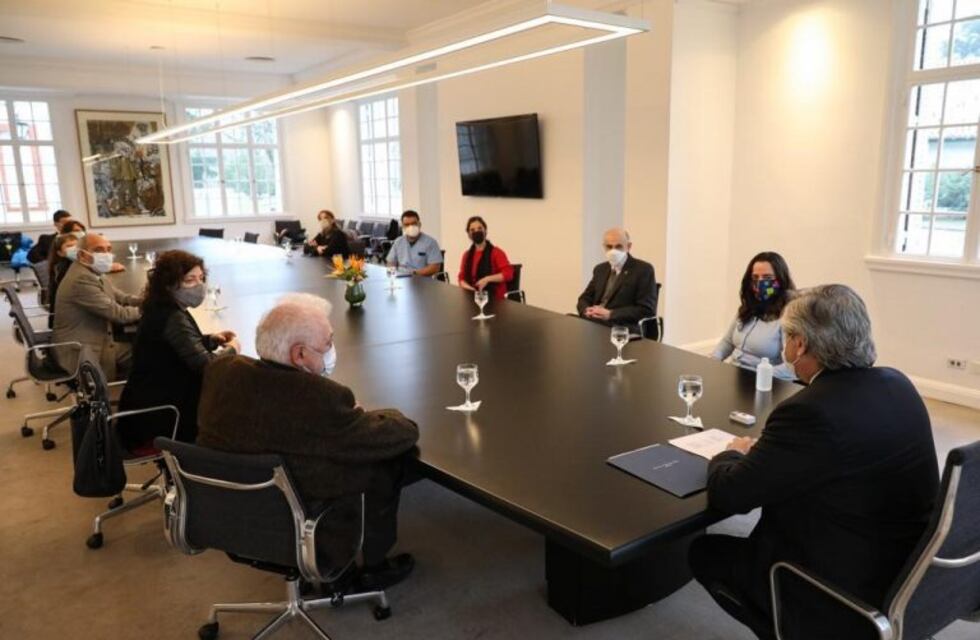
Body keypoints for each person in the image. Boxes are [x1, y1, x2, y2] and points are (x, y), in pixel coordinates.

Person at [688, 285, 940, 640]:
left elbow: (730, 495)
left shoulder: (808, 411)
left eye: (785, 336)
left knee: (704, 552)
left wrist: (731, 452)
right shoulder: (899, 385)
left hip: (840, 586)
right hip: (910, 571)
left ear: (800, 344)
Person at [196, 293, 419, 590]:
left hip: (228, 511)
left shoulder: (223, 371)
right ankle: (368, 567)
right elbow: (401, 433)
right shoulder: (319, 398)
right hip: (300, 514)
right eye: (328, 343)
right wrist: (376, 414)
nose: (332, 350)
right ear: (299, 354)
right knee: (390, 462)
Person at [118, 250, 239, 453]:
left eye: (201, 278)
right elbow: (208, 367)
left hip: (148, 403)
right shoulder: (172, 317)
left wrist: (209, 340)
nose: (199, 285)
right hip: (164, 418)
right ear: (169, 284)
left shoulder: (162, 307)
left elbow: (175, 347)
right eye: (190, 280)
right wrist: (232, 350)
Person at [52, 233, 141, 380]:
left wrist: (147, 300)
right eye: (99, 250)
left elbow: (122, 297)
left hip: (94, 339)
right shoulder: (81, 279)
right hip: (81, 350)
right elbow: (119, 315)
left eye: (108, 249)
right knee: (149, 353)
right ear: (81, 255)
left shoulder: (92, 271)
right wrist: (147, 309)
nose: (106, 254)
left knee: (143, 345)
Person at [712, 252, 797, 380]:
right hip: (734, 375)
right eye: (755, 277)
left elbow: (792, 367)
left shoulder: (790, 315)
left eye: (767, 277)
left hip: (765, 381)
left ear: (781, 279)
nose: (760, 282)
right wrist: (713, 360)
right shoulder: (748, 307)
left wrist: (761, 374)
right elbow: (727, 342)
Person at [576, 228, 657, 333]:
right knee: (568, 320)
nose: (613, 251)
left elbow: (646, 309)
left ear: (628, 246)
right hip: (595, 321)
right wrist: (587, 310)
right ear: (604, 247)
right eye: (609, 247)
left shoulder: (643, 270)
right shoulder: (600, 269)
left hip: (622, 325)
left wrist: (610, 314)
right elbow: (584, 298)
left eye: (618, 247)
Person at [457, 216, 513, 300]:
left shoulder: (496, 252)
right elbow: (461, 278)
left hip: (495, 300)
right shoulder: (466, 255)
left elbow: (508, 274)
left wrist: (487, 279)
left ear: (485, 230)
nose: (476, 231)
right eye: (472, 230)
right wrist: (470, 289)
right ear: (469, 234)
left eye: (480, 228)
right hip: (473, 298)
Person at [386, 210, 443, 277]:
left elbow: (434, 268)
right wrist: (392, 277)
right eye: (407, 225)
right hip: (401, 278)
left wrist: (413, 273)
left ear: (419, 224)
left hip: (422, 279)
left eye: (414, 223)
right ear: (403, 227)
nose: (411, 227)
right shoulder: (398, 242)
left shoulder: (430, 243)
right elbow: (391, 262)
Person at [46, 233, 80, 329]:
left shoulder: (67, 264)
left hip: (67, 313)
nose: (74, 248)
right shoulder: (63, 269)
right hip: (68, 320)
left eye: (77, 245)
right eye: (69, 246)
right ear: (60, 253)